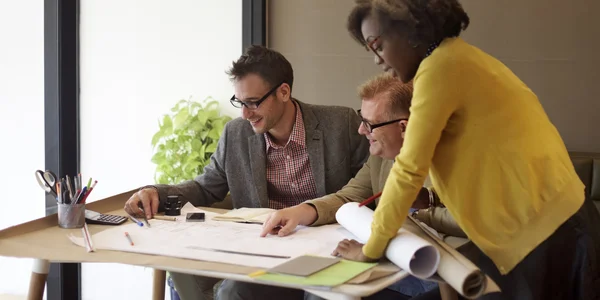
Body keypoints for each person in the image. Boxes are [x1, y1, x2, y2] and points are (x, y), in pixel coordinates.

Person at [334, 1, 600, 299]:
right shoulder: (459, 56)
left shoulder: (439, 69)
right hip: (552, 219)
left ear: (409, 30)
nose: (377, 60)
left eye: (377, 45)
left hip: (544, 232)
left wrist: (371, 249)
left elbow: (409, 169)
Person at [123, 45, 370, 300]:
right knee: (233, 292)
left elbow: (370, 185)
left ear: (284, 92)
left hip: (326, 249)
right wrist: (155, 192)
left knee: (323, 296)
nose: (244, 113)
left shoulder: (341, 124)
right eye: (239, 102)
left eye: (253, 103)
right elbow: (206, 186)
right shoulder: (236, 134)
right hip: (265, 251)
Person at [261, 73, 466, 299]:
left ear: (403, 127)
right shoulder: (382, 154)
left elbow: (470, 224)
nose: (361, 130)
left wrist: (416, 212)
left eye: (369, 124)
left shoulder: (458, 161)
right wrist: (302, 211)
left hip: (443, 274)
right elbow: (351, 196)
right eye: (362, 119)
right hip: (393, 263)